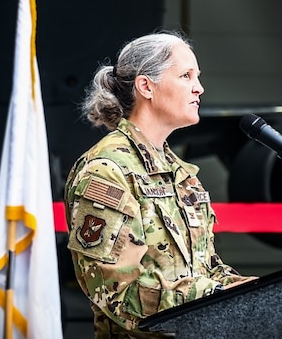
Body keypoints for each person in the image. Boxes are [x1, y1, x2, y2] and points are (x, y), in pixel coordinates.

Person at [64, 30, 256, 338]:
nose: (199, 88)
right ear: (146, 86)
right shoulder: (107, 170)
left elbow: (207, 272)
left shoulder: (181, 173)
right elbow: (117, 293)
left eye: (197, 76)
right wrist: (216, 298)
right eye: (185, 75)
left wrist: (267, 292)